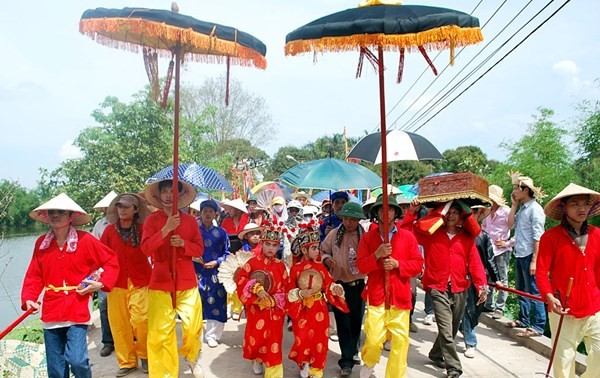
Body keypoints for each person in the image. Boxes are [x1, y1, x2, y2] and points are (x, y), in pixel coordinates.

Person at [22, 193, 119, 378]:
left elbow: (111, 261)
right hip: (52, 310)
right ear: (46, 216)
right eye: (51, 212)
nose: (56, 215)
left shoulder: (86, 240)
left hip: (77, 306)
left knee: (77, 361)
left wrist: (100, 283)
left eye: (61, 211)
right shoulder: (41, 244)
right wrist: (29, 299)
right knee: (56, 369)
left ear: (71, 216)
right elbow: (34, 275)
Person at [403, 200, 488, 378]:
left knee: (453, 328)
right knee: (445, 329)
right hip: (436, 286)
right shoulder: (431, 234)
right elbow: (407, 230)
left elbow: (475, 264)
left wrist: (481, 286)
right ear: (442, 213)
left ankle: (435, 353)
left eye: (456, 212)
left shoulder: (466, 238)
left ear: (461, 216)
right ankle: (454, 368)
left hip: (459, 288)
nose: (451, 215)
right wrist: (412, 211)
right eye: (448, 211)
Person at [140, 179, 205, 378]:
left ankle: (191, 356)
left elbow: (199, 249)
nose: (168, 195)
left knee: (193, 327)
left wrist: (184, 244)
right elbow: (146, 249)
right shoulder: (152, 221)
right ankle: (165, 373)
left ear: (179, 195)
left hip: (186, 280)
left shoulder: (190, 221)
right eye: (165, 191)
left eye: (172, 192)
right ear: (159, 195)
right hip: (160, 282)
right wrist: (166, 230)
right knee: (160, 333)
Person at [536, 183, 600, 378]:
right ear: (564, 208)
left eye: (585, 204)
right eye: (575, 204)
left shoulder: (597, 234)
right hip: (563, 308)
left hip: (594, 306)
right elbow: (541, 272)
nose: (581, 208)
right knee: (564, 363)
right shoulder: (551, 237)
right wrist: (548, 296)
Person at [356, 195, 424, 378]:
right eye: (381, 209)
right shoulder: (368, 238)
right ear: (376, 213)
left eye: (390, 209)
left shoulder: (407, 237)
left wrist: (398, 264)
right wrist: (376, 255)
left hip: (400, 296)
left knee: (401, 341)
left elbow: (418, 264)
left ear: (396, 213)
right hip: (377, 295)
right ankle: (369, 362)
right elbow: (361, 266)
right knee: (374, 337)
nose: (386, 213)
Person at [287, 221, 349, 378]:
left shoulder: (321, 267)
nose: (317, 251)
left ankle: (317, 369)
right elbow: (288, 291)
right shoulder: (295, 269)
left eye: (317, 247)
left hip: (318, 308)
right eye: (314, 248)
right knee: (301, 338)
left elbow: (328, 285)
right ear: (304, 250)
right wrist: (300, 294)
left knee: (320, 340)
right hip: (301, 309)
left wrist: (335, 289)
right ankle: (304, 362)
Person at [100, 193, 151, 376]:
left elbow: (152, 248)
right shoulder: (108, 231)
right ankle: (127, 361)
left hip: (141, 280)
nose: (122, 209)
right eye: (120, 206)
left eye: (126, 206)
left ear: (135, 210)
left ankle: (145, 355)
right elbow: (101, 256)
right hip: (116, 283)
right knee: (119, 325)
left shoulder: (143, 228)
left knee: (141, 320)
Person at [236, 221, 289, 377]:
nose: (271, 248)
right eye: (268, 244)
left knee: (274, 342)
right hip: (256, 309)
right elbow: (241, 280)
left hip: (274, 311)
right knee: (256, 338)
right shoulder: (252, 262)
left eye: (274, 245)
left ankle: (274, 372)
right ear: (262, 244)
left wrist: (274, 300)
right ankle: (258, 359)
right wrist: (256, 289)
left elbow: (285, 287)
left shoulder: (280, 266)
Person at [321, 202, 367, 376]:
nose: (348, 223)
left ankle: (353, 350)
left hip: (358, 284)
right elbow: (323, 250)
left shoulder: (365, 236)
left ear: (358, 220)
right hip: (339, 286)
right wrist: (327, 259)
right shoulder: (334, 234)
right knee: (343, 322)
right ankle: (346, 361)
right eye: (345, 218)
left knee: (356, 321)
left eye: (352, 219)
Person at [505, 173, 547, 337]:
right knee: (521, 289)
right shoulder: (523, 209)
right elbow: (510, 224)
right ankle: (523, 319)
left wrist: (535, 260)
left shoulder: (535, 210)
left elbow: (538, 237)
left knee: (534, 290)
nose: (514, 191)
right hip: (520, 252)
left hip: (530, 254)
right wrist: (514, 205)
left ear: (526, 190)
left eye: (517, 188)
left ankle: (538, 326)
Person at [461, 205, 501, 359]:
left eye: (476, 212)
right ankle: (470, 342)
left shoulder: (483, 236)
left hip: (480, 279)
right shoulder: (460, 234)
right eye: (470, 211)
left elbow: (490, 260)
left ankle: (465, 328)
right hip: (462, 278)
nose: (473, 214)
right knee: (467, 309)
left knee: (476, 310)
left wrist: (497, 280)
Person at [195, 199, 230, 348]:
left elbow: (227, 253)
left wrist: (217, 262)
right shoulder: (194, 231)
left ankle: (213, 335)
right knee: (196, 303)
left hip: (216, 272)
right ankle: (196, 334)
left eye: (210, 211)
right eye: (205, 211)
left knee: (217, 301)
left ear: (216, 214)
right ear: (200, 214)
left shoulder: (222, 233)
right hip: (197, 271)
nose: (207, 214)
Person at [92, 190, 118, 358]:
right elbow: (94, 249)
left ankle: (130, 337)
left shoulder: (125, 223)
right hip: (104, 270)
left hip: (124, 270)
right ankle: (108, 341)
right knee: (103, 305)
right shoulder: (99, 225)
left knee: (130, 306)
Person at [482, 184, 512, 319]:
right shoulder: (487, 211)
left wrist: (507, 243)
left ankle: (500, 307)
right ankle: (489, 303)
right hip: (489, 248)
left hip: (502, 250)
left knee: (502, 278)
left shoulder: (506, 211)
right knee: (489, 276)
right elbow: (484, 228)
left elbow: (520, 230)